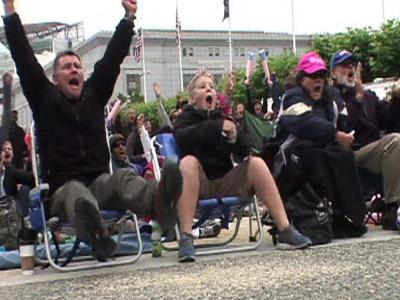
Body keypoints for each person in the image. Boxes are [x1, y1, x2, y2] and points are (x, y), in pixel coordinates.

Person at [2, 0, 182, 259]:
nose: (74, 70)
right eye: (67, 67)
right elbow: (23, 57)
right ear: (55, 78)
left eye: (78, 66)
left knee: (124, 178)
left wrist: (129, 17)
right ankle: (97, 235)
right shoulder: (44, 99)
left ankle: (160, 200)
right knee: (78, 194)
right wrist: (9, 11)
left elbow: (112, 59)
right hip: (63, 190)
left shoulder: (94, 96)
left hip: (100, 182)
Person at [173, 70, 312, 263]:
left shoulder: (222, 117)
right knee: (188, 162)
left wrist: (234, 137)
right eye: (203, 87)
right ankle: (186, 236)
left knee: (256, 163)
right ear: (192, 96)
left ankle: (285, 229)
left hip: (225, 179)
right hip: (199, 184)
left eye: (212, 87)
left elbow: (245, 149)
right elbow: (182, 139)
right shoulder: (185, 118)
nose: (209, 90)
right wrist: (215, 127)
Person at [277, 51, 367, 238]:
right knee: (314, 154)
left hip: (322, 156)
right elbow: (305, 123)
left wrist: (354, 100)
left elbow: (345, 126)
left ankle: (346, 215)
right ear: (301, 78)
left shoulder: (331, 100)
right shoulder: (291, 97)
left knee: (343, 154)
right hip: (288, 163)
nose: (318, 80)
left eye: (322, 75)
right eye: (313, 76)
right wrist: (334, 134)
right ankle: (312, 217)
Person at [330, 50, 400, 229]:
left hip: (376, 151)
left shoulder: (370, 97)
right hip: (349, 154)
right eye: (345, 66)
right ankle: (393, 208)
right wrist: (357, 98)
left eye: (353, 65)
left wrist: (397, 98)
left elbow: (390, 121)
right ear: (333, 73)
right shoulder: (331, 96)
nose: (350, 69)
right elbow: (344, 127)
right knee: (394, 142)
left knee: (394, 140)